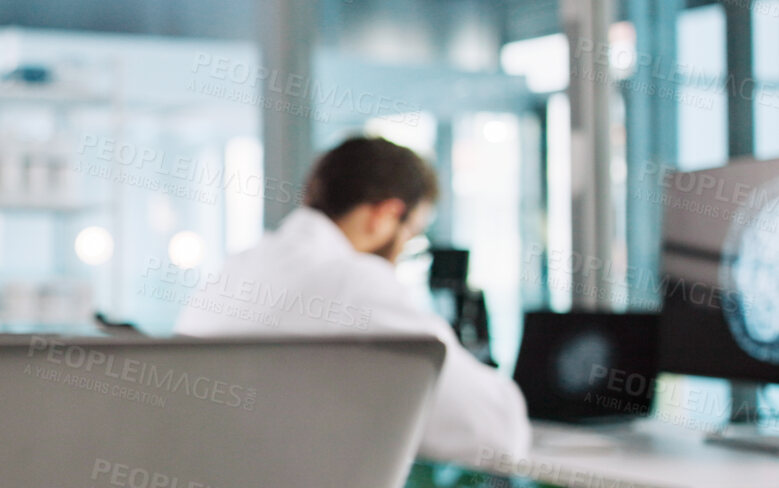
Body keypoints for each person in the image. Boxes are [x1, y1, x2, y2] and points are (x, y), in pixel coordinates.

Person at [172, 135, 531, 466]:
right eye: (412, 234)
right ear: (384, 215)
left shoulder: (237, 267)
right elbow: (495, 434)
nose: (405, 249)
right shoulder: (352, 281)